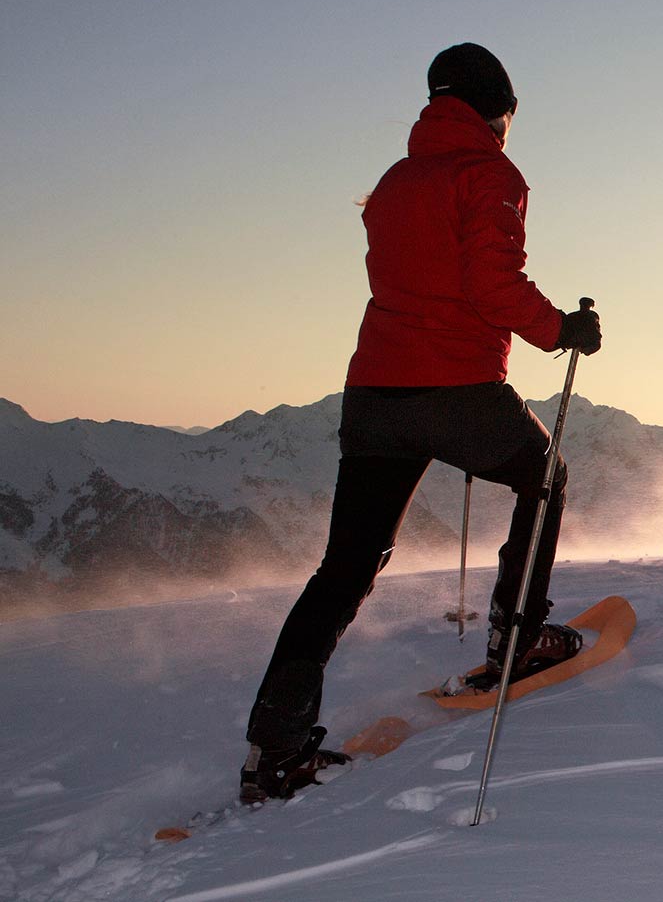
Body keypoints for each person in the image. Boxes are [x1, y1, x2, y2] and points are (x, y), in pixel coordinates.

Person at [240, 43, 603, 803]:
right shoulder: (489, 174)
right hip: (457, 387)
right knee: (545, 478)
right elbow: (489, 283)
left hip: (375, 390)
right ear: (495, 107)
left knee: (344, 569)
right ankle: (519, 635)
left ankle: (275, 751)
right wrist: (561, 328)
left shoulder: (395, 179)